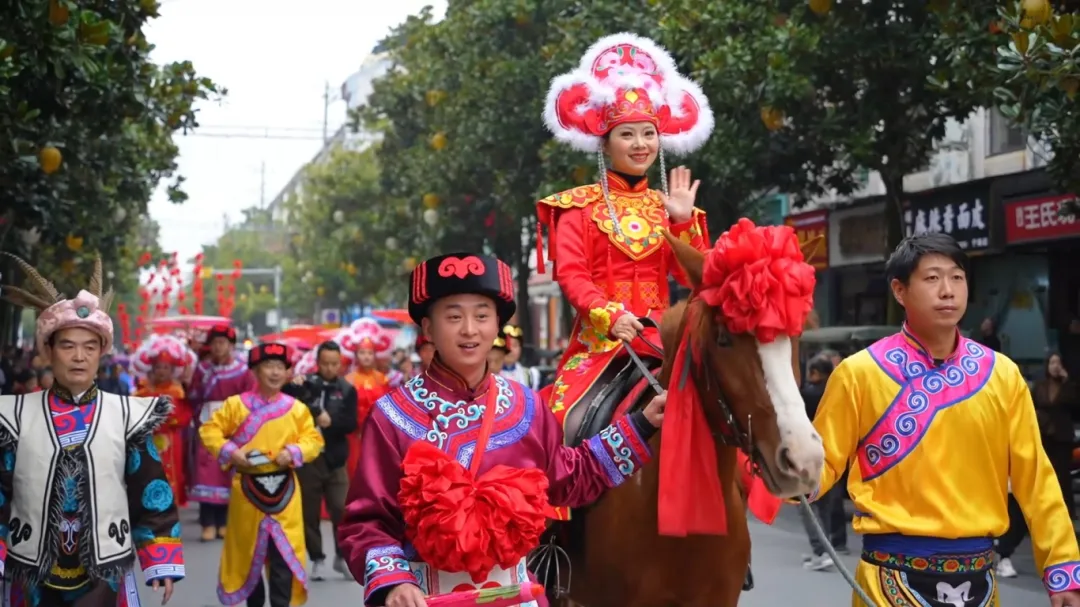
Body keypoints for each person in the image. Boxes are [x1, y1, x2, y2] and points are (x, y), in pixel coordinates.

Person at [337, 252, 666, 607]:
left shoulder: (527, 407)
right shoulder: (393, 416)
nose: (469, 329)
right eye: (453, 316)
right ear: (428, 329)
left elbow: (568, 478)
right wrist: (394, 583)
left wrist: (642, 423)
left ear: (496, 327)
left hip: (515, 597)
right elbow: (366, 522)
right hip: (427, 599)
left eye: (482, 315)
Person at [811, 232, 1080, 606]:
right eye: (932, 278)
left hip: (979, 579)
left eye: (957, 277)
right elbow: (820, 466)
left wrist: (1062, 567)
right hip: (887, 578)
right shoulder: (859, 374)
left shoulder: (1001, 375)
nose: (948, 290)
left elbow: (1035, 478)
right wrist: (786, 466)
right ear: (899, 290)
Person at [536, 32, 711, 432]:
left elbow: (698, 278)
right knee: (559, 424)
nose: (640, 144)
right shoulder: (576, 208)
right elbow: (573, 275)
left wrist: (682, 222)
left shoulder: (672, 207)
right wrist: (608, 315)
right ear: (605, 143)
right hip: (600, 344)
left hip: (665, 341)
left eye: (648, 134)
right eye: (627, 134)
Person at [0, 255, 184, 606]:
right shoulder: (13, 416)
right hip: (31, 569)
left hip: (106, 570)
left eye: (90, 347)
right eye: (67, 346)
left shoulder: (127, 415)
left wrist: (160, 559)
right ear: (48, 352)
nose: (79, 357)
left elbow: (151, 490)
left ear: (103, 353)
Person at [199, 342, 325, 607]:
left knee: (283, 554)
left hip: (285, 490)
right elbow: (210, 430)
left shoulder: (296, 409)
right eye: (269, 366)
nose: (275, 372)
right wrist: (231, 451)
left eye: (280, 367)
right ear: (255, 371)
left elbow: (313, 440)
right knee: (249, 553)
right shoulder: (236, 406)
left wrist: (293, 451)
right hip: (247, 489)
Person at [283, 340, 359, 582]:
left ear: (340, 364)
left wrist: (331, 422)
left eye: (334, 363)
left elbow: (351, 423)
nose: (329, 367)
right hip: (308, 459)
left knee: (341, 509)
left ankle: (342, 556)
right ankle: (317, 558)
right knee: (309, 513)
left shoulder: (347, 390)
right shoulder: (305, 384)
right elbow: (284, 400)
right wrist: (291, 384)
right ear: (317, 363)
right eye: (325, 363)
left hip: (336, 459)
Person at [188, 324, 257, 541]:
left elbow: (250, 398)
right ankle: (207, 522)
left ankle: (223, 522)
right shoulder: (202, 369)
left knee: (228, 472)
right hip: (208, 424)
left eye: (223, 343)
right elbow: (193, 395)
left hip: (232, 426)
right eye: (215, 343)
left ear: (230, 346)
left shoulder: (242, 370)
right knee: (205, 473)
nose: (218, 348)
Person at [133, 334, 197, 509]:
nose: (162, 371)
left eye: (166, 367)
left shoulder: (176, 391)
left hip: (170, 437)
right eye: (158, 367)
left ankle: (170, 501)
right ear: (152, 368)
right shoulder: (142, 390)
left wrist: (166, 420)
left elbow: (182, 415)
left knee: (171, 467)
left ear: (172, 370)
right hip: (146, 437)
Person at [797, 355, 848, 572]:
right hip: (834, 453)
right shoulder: (838, 392)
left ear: (817, 373)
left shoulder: (808, 393)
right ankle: (829, 546)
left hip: (809, 454)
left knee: (806, 504)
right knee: (826, 504)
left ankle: (820, 550)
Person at [1032, 352, 1078, 520]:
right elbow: (1031, 405)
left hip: (1062, 436)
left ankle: (1067, 515)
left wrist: (1066, 382)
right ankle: (1044, 514)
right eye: (1052, 363)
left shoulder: (1069, 385)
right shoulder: (1040, 385)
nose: (1055, 366)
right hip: (1044, 434)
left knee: (1063, 476)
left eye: (1058, 363)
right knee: (1043, 477)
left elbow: (1074, 404)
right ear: (1047, 366)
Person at [344, 327, 390, 480]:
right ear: (356, 355)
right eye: (362, 353)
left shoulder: (382, 379)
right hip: (355, 434)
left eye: (370, 353)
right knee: (355, 469)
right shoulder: (349, 379)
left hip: (377, 433)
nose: (366, 357)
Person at [500, 323, 541, 390]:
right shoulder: (488, 375)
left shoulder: (530, 375)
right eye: (507, 345)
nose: (510, 350)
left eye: (515, 345)